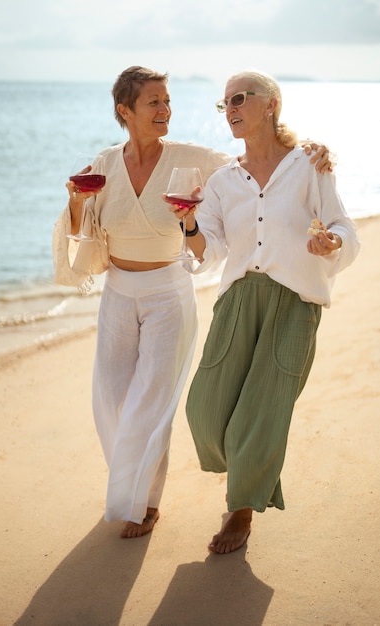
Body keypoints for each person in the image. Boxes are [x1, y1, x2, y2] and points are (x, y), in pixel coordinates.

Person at [53, 66, 334, 540]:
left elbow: (256, 165)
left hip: (167, 290)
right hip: (118, 291)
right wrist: (75, 200)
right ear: (125, 111)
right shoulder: (103, 163)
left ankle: (144, 502)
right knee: (112, 401)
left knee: (152, 402)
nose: (165, 110)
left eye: (167, 101)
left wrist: (308, 150)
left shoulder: (193, 157)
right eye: (153, 102)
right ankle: (131, 485)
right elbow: (81, 229)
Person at [167, 69, 360, 554]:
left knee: (263, 411)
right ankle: (249, 478)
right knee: (205, 411)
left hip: (294, 300)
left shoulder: (310, 164)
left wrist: (331, 241)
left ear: (270, 103)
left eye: (239, 98)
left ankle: (242, 510)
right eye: (224, 103)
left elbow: (341, 224)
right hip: (237, 300)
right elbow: (206, 250)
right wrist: (189, 223)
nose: (229, 108)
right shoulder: (223, 180)